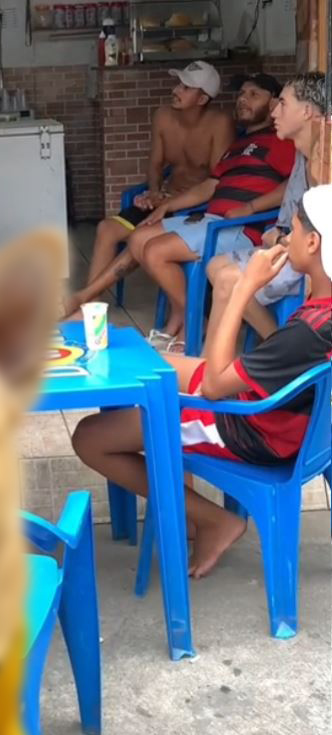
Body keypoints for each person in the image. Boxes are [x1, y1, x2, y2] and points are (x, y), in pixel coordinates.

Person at [72, 187, 332, 578]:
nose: (283, 238)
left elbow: (212, 386)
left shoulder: (307, 332)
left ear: (313, 243)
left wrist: (243, 288)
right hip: (283, 419)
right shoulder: (320, 317)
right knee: (146, 362)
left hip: (249, 429)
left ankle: (212, 519)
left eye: (290, 231)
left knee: (89, 437)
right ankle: (173, 480)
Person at [128, 74, 295, 348]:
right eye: (242, 94)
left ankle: (191, 324)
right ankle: (189, 318)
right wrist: (167, 205)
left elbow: (292, 184)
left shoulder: (280, 141)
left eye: (254, 95)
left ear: (274, 102)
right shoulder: (238, 145)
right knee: (138, 238)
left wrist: (250, 207)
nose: (243, 99)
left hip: (240, 228)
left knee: (155, 251)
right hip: (211, 221)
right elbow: (210, 186)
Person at [64, 61, 235, 316]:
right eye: (178, 84)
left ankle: (86, 298)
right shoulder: (163, 116)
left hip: (194, 208)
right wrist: (154, 192)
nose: (176, 90)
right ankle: (91, 308)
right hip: (163, 199)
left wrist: (172, 201)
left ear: (202, 99)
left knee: (143, 238)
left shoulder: (220, 124)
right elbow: (155, 164)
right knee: (106, 229)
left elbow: (216, 180)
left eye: (186, 87)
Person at [205, 73, 326, 340]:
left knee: (228, 279)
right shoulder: (302, 153)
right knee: (215, 266)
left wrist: (281, 239)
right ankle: (276, 345)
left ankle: (281, 350)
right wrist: (279, 235)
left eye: (283, 103)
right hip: (289, 244)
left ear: (307, 111)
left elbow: (318, 243)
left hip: (310, 260)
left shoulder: (324, 163)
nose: (274, 112)